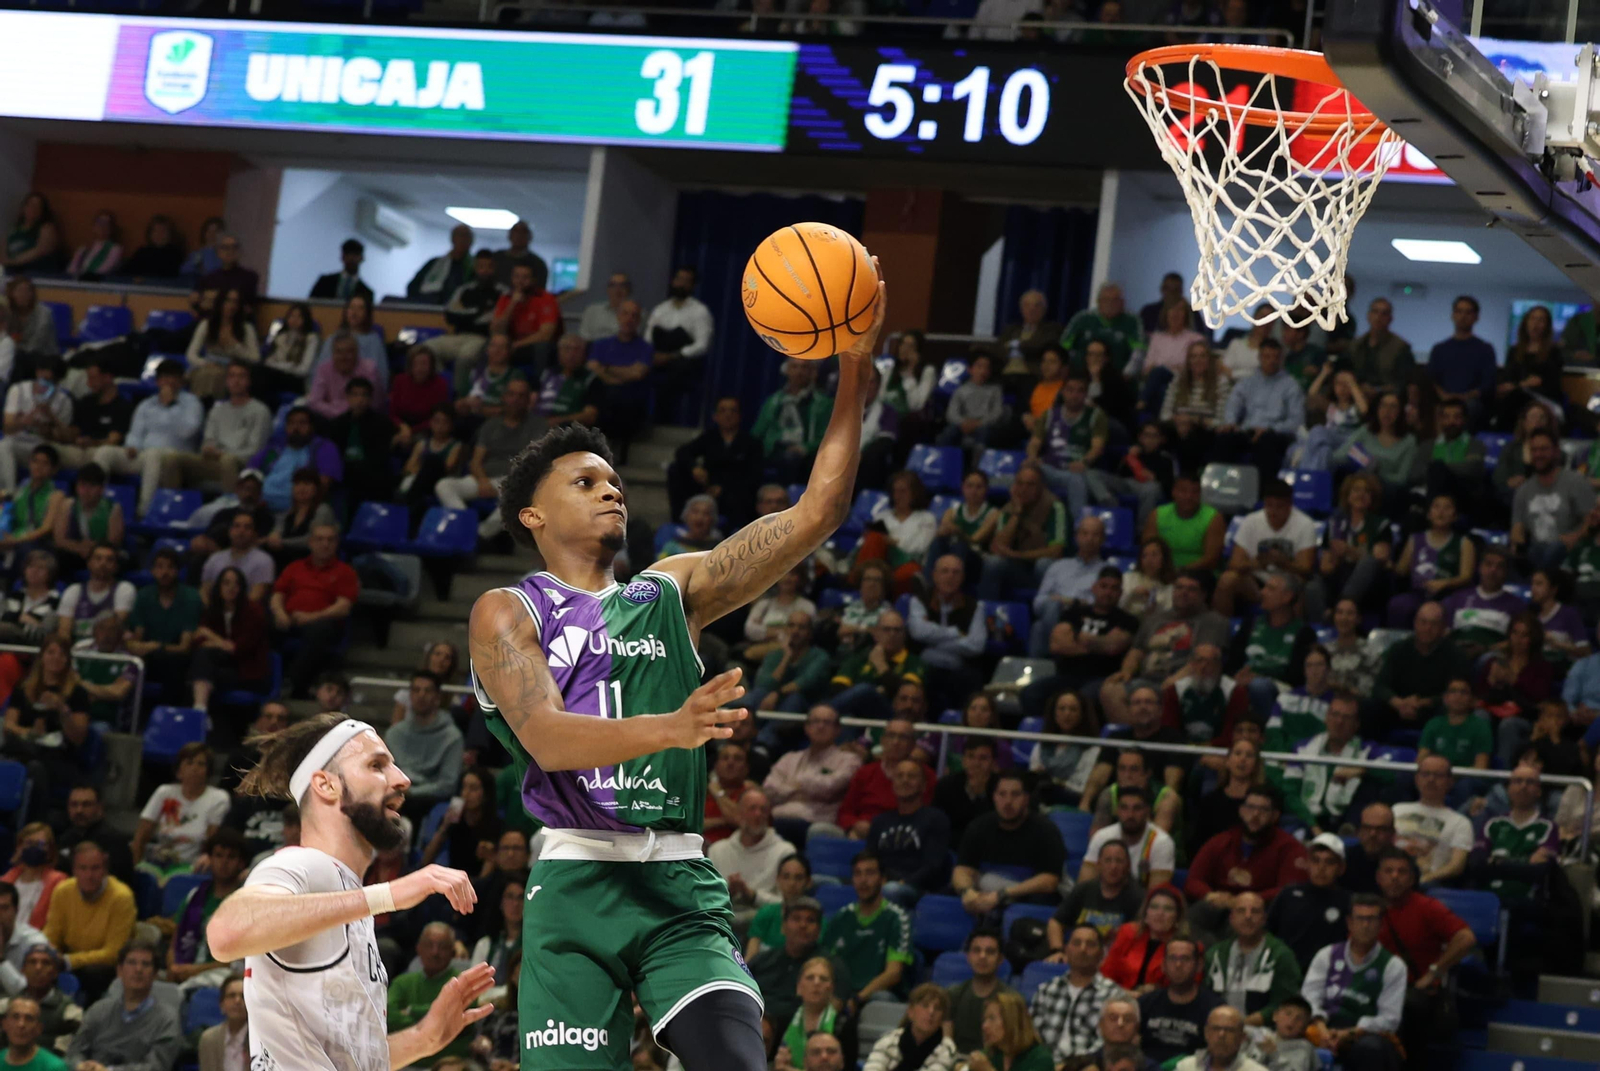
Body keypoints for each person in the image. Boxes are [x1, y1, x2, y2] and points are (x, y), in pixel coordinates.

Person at [205, 713, 494, 1069]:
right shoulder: (304, 866)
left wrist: (424, 1039)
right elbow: (225, 934)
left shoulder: (344, 895)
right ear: (327, 785)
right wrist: (389, 894)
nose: (402, 779)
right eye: (377, 765)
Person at [1100, 570, 1230, 725]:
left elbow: (1204, 658)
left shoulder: (1213, 621)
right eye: (1179, 588)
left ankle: (1152, 735)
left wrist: (1174, 681)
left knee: (1165, 693)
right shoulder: (1154, 619)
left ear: (1204, 595)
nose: (1183, 593)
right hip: (1146, 679)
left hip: (1186, 681)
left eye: (1191, 589)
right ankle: (1136, 735)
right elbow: (1137, 651)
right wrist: (1126, 672)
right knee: (1110, 691)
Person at [1299, 894, 1405, 1071]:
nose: (1365, 925)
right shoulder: (1327, 955)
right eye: (1360, 919)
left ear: (1381, 924)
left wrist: (1347, 1034)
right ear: (1349, 922)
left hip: (1363, 1035)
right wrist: (1322, 1029)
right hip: (1323, 1027)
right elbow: (1308, 999)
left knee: (1371, 1048)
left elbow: (1390, 1019)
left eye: (1371, 919)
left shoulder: (1393, 966)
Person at [1185, 785, 1307, 938]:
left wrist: (1243, 901)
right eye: (1250, 807)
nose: (1255, 815)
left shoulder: (1290, 847)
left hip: (1260, 909)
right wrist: (1211, 896)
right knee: (1192, 919)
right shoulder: (1222, 841)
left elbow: (1289, 889)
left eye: (1263, 810)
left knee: (1240, 923)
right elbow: (1193, 880)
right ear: (1241, 810)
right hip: (1219, 903)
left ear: (1275, 816)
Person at [436, 376, 542, 542]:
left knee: (518, 498)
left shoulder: (538, 426)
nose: (516, 400)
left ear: (528, 400)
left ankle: (480, 535)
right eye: (512, 394)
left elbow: (535, 464)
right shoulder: (490, 425)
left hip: (514, 482)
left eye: (521, 396)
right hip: (485, 478)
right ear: (504, 397)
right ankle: (467, 527)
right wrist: (483, 481)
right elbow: (476, 461)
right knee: (444, 485)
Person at [96, 360, 203, 515]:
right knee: (105, 451)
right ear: (158, 381)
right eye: (164, 377)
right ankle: (99, 504)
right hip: (143, 454)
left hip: (174, 456)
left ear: (180, 381)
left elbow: (187, 432)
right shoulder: (147, 404)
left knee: (153, 455)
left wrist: (171, 404)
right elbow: (135, 433)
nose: (168, 381)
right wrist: (132, 446)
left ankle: (144, 511)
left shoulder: (192, 403)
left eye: (172, 377)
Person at [951, 773, 1065, 917]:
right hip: (986, 894)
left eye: (1015, 794)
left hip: (1025, 897)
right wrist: (967, 891)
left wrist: (1002, 895)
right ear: (994, 797)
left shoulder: (1046, 830)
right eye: (1002, 794)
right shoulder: (978, 827)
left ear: (1026, 799)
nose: (1008, 801)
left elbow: (1049, 881)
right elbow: (962, 869)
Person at [269, 524, 359, 697]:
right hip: (290, 619)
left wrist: (311, 617)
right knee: (261, 623)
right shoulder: (295, 567)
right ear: (310, 542)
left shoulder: (345, 572)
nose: (325, 544)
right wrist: (280, 613)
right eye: (320, 539)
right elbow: (277, 594)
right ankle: (261, 682)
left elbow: (343, 607)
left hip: (323, 622)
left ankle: (295, 684)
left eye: (330, 540)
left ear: (336, 544)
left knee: (319, 631)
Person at [63, 941, 181, 1071]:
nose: (138, 969)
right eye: (131, 963)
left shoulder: (167, 1019)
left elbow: (157, 1067)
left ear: (154, 974)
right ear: (119, 971)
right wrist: (80, 1065)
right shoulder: (98, 1010)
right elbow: (74, 1052)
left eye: (145, 964)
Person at [42, 842, 135, 1001]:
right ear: (74, 870)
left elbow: (114, 953)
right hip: (68, 959)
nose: (89, 875)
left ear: (105, 870)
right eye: (83, 868)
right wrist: (50, 955)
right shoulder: (62, 891)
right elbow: (51, 936)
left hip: (103, 968)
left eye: (95, 868)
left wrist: (69, 961)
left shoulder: (121, 897)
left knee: (94, 973)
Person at [820, 850, 912, 1011]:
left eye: (869, 873)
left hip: (875, 995)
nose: (863, 880)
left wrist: (858, 998)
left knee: (881, 999)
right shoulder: (842, 917)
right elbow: (823, 963)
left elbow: (894, 973)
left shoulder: (896, 918)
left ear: (883, 879)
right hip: (842, 993)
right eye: (857, 874)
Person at [1373, 847, 1477, 987]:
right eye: (1388, 871)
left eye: (1402, 872)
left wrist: (1434, 972)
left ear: (1411, 879)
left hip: (1413, 991)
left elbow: (1466, 938)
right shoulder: (1368, 908)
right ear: (1378, 878)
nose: (1395, 877)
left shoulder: (1427, 907)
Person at [1370, 602, 1472, 742]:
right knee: (1370, 706)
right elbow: (1380, 686)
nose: (1427, 628)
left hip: (1432, 710)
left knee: (1452, 708)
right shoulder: (1399, 649)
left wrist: (1422, 703)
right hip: (1398, 709)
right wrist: (1399, 703)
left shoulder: (1456, 655)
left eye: (1434, 624)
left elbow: (1458, 693)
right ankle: (1368, 753)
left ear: (1443, 628)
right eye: (1423, 622)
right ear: (1415, 624)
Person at [1213, 481, 1317, 617]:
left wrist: (1282, 562)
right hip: (1257, 580)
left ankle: (1292, 634)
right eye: (1269, 505)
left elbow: (1306, 569)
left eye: (1279, 507)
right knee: (1227, 580)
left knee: (1298, 585)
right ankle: (1222, 629)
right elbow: (1234, 563)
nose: (1273, 512)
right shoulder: (1251, 521)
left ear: (1289, 505)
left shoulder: (1305, 524)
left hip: (1288, 581)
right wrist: (1255, 563)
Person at [749, 898, 852, 1034]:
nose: (803, 925)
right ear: (783, 927)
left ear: (819, 930)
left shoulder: (832, 967)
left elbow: (834, 1010)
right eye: (796, 919)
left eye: (810, 920)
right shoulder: (762, 960)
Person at [1223, 573, 1315, 723]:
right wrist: (1237, 675)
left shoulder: (1304, 632)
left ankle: (1268, 732)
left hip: (1282, 687)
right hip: (1245, 680)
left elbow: (1299, 677)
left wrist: (1260, 677)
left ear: (1287, 597)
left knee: (1259, 686)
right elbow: (1232, 662)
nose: (1262, 592)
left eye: (1270, 589)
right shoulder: (1251, 624)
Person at [1029, 924, 1127, 1061]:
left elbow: (1109, 1046)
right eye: (1076, 943)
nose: (1082, 949)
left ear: (1101, 954)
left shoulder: (1114, 996)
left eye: (1090, 945)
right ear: (1066, 950)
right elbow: (1031, 1036)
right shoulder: (1047, 989)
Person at [1200, 893, 1301, 1024]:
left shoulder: (1281, 955)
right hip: (1219, 1028)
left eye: (1255, 911)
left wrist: (1248, 1023)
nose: (1248, 916)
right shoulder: (1215, 954)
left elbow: (1287, 1002)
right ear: (1232, 918)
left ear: (1264, 919)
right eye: (1241, 911)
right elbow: (1203, 996)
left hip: (1264, 1032)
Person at [764, 705, 862, 840]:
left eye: (827, 722)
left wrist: (793, 785)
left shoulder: (849, 760)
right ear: (806, 728)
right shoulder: (789, 758)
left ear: (838, 730)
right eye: (815, 721)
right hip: (778, 819)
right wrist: (806, 790)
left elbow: (829, 788)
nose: (820, 727)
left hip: (816, 824)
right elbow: (769, 790)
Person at [1280, 693, 1373, 835]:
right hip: (1307, 820)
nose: (1339, 721)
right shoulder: (1303, 748)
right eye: (1335, 714)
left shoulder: (1366, 751)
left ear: (1356, 724)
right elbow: (1289, 794)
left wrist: (1363, 770)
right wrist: (1312, 825)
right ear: (1326, 717)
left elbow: (1392, 773)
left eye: (1346, 717)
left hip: (1343, 823)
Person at [1215, 339, 1304, 482]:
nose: (1271, 361)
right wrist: (1231, 422)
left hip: (1275, 433)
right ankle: (1221, 489)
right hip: (1248, 431)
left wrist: (1270, 429)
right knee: (1224, 439)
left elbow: (1296, 421)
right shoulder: (1248, 382)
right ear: (1259, 358)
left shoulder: (1291, 386)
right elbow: (1233, 404)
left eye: (1275, 357)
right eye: (1267, 357)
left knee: (1267, 443)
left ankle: (1262, 495)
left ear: (1281, 359)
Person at [976, 462, 1069, 598]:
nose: (1024, 489)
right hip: (1019, 570)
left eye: (1030, 485)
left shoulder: (1055, 506)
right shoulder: (1008, 508)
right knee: (993, 563)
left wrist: (1016, 555)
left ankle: (1045, 608)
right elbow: (997, 548)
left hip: (1044, 573)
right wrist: (1016, 514)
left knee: (1043, 564)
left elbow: (1056, 551)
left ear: (1041, 487)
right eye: (1020, 484)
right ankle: (984, 610)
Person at [383, 672, 465, 819]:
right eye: (416, 690)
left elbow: (447, 785)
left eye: (427, 691)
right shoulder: (394, 734)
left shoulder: (453, 737)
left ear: (437, 698)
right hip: (396, 794)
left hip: (429, 802)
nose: (421, 695)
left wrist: (413, 792)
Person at [866, 761, 950, 903]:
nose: (905, 780)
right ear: (893, 784)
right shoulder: (879, 822)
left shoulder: (935, 819)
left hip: (918, 889)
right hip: (883, 884)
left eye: (911, 776)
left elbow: (933, 866)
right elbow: (869, 859)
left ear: (923, 786)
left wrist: (904, 882)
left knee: (890, 890)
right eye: (900, 776)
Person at [1513, 429, 1598, 569]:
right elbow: (1517, 529)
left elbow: (1593, 523)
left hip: (1569, 553)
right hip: (1536, 553)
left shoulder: (1576, 482)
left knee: (1555, 549)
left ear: (1556, 451)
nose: (1538, 454)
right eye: (1534, 450)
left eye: (1544, 449)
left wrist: (1575, 537)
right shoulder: (1523, 490)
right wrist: (1517, 540)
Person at [1136, 937, 1223, 1066]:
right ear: (1163, 965)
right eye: (1172, 959)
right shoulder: (1145, 1003)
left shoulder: (1214, 1009)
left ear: (1199, 965)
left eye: (1185, 959)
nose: (1178, 965)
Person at [708, 788, 794, 917]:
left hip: (764, 919)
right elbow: (707, 900)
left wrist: (752, 895)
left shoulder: (784, 851)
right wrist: (729, 892)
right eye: (752, 809)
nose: (758, 814)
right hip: (723, 918)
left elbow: (788, 904)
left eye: (763, 810)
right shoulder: (717, 850)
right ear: (739, 813)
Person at [1050, 840, 1143, 953]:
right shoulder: (1083, 889)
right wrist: (1057, 951)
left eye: (1119, 861)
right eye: (1108, 860)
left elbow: (1138, 936)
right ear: (1098, 864)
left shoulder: (1138, 897)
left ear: (1128, 866)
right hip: (1080, 953)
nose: (1113, 866)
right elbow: (1056, 922)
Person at [1392, 755, 1473, 885]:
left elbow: (1456, 865)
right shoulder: (1396, 810)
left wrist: (1427, 879)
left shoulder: (1461, 822)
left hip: (1429, 885)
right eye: (1425, 774)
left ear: (1450, 782)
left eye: (1438, 775)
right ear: (1417, 778)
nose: (1431, 779)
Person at [1081, 789, 1176, 891]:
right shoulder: (1102, 837)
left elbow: (1155, 896)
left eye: (1137, 808)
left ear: (1147, 811)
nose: (1130, 814)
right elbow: (1084, 887)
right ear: (1117, 811)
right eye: (1124, 808)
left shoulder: (1161, 842)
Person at [0, 363, 72, 498]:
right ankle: (9, 493)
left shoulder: (64, 400)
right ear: (38, 373)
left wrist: (51, 419)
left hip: (42, 446)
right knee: (3, 446)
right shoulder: (19, 390)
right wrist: (23, 422)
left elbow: (67, 439)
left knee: (44, 454)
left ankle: (41, 494)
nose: (45, 384)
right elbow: (7, 428)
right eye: (43, 378)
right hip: (19, 444)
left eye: (51, 381)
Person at [1426, 295, 1497, 424]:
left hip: (1471, 403)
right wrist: (1444, 396)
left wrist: (1463, 397)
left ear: (1476, 317)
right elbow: (1432, 380)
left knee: (1468, 408)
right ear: (1452, 315)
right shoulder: (1440, 349)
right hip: (1443, 401)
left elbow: (1487, 385)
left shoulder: (1485, 349)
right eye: (1459, 311)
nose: (1463, 316)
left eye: (1468, 312)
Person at [1102, 885, 1186, 992]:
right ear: (1146, 913)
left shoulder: (1185, 946)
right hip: (1120, 998)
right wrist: (1125, 994)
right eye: (1154, 907)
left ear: (1177, 917)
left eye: (1168, 909)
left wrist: (1155, 989)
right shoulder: (1128, 933)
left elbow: (1182, 988)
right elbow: (1107, 975)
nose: (1160, 913)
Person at [945, 929, 1015, 1054]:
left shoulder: (1009, 999)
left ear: (1000, 959)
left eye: (990, 952)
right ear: (968, 957)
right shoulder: (953, 994)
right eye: (976, 951)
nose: (982, 956)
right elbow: (946, 1043)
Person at [863, 984, 957, 1071]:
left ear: (942, 1018)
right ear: (911, 1012)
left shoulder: (947, 1049)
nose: (931, 1012)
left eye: (937, 1008)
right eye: (925, 1005)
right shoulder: (889, 1040)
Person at [186, 288, 259, 398]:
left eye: (235, 302)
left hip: (232, 368)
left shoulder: (247, 328)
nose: (231, 305)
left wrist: (235, 346)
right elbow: (191, 354)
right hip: (208, 364)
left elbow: (255, 358)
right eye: (228, 301)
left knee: (216, 375)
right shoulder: (206, 324)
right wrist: (205, 363)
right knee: (204, 374)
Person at [966, 990, 1055, 1071]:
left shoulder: (1040, 1059)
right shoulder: (991, 1054)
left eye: (992, 1018)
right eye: (984, 1020)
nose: (984, 1026)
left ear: (1012, 1020)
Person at [933, 738, 998, 844]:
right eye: (971, 756)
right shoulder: (947, 785)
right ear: (963, 760)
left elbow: (995, 825)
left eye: (983, 758)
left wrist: (981, 795)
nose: (976, 763)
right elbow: (938, 822)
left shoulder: (1002, 787)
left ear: (994, 763)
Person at [1174, 1006, 1266, 1071]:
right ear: (1206, 1033)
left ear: (1242, 1037)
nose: (1221, 1035)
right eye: (1216, 1028)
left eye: (1229, 1030)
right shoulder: (1185, 1067)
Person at [0, 993, 67, 1071]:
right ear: (4, 1024)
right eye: (15, 1017)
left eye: (29, 1018)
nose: (21, 1024)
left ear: (38, 1029)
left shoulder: (54, 1067)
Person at [197, 973, 247, 1071]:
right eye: (232, 996)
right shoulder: (209, 1039)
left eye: (243, 996)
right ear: (222, 1004)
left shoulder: (259, 1039)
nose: (237, 1001)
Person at [2, 194, 60, 274]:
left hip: (35, 270)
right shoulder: (14, 230)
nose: (33, 209)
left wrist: (14, 261)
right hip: (11, 270)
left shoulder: (46, 228)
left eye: (37, 206)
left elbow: (41, 250)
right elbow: (3, 249)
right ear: (23, 208)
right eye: (30, 205)